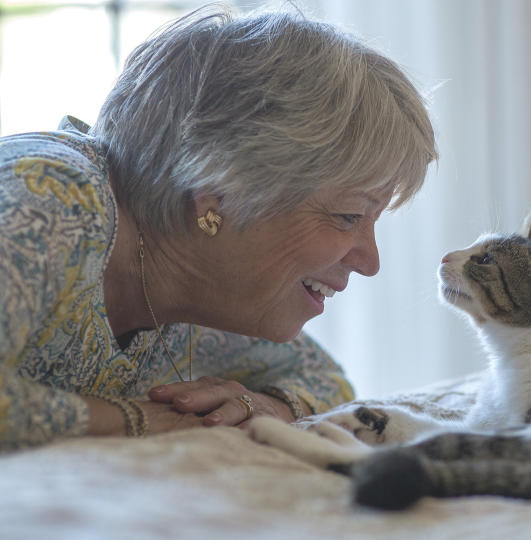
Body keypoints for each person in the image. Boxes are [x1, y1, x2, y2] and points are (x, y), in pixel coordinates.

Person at [0, 5, 437, 452]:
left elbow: (328, 380)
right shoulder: (47, 200)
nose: (370, 262)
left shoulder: (197, 283)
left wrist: (269, 406)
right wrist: (139, 420)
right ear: (219, 191)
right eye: (348, 216)